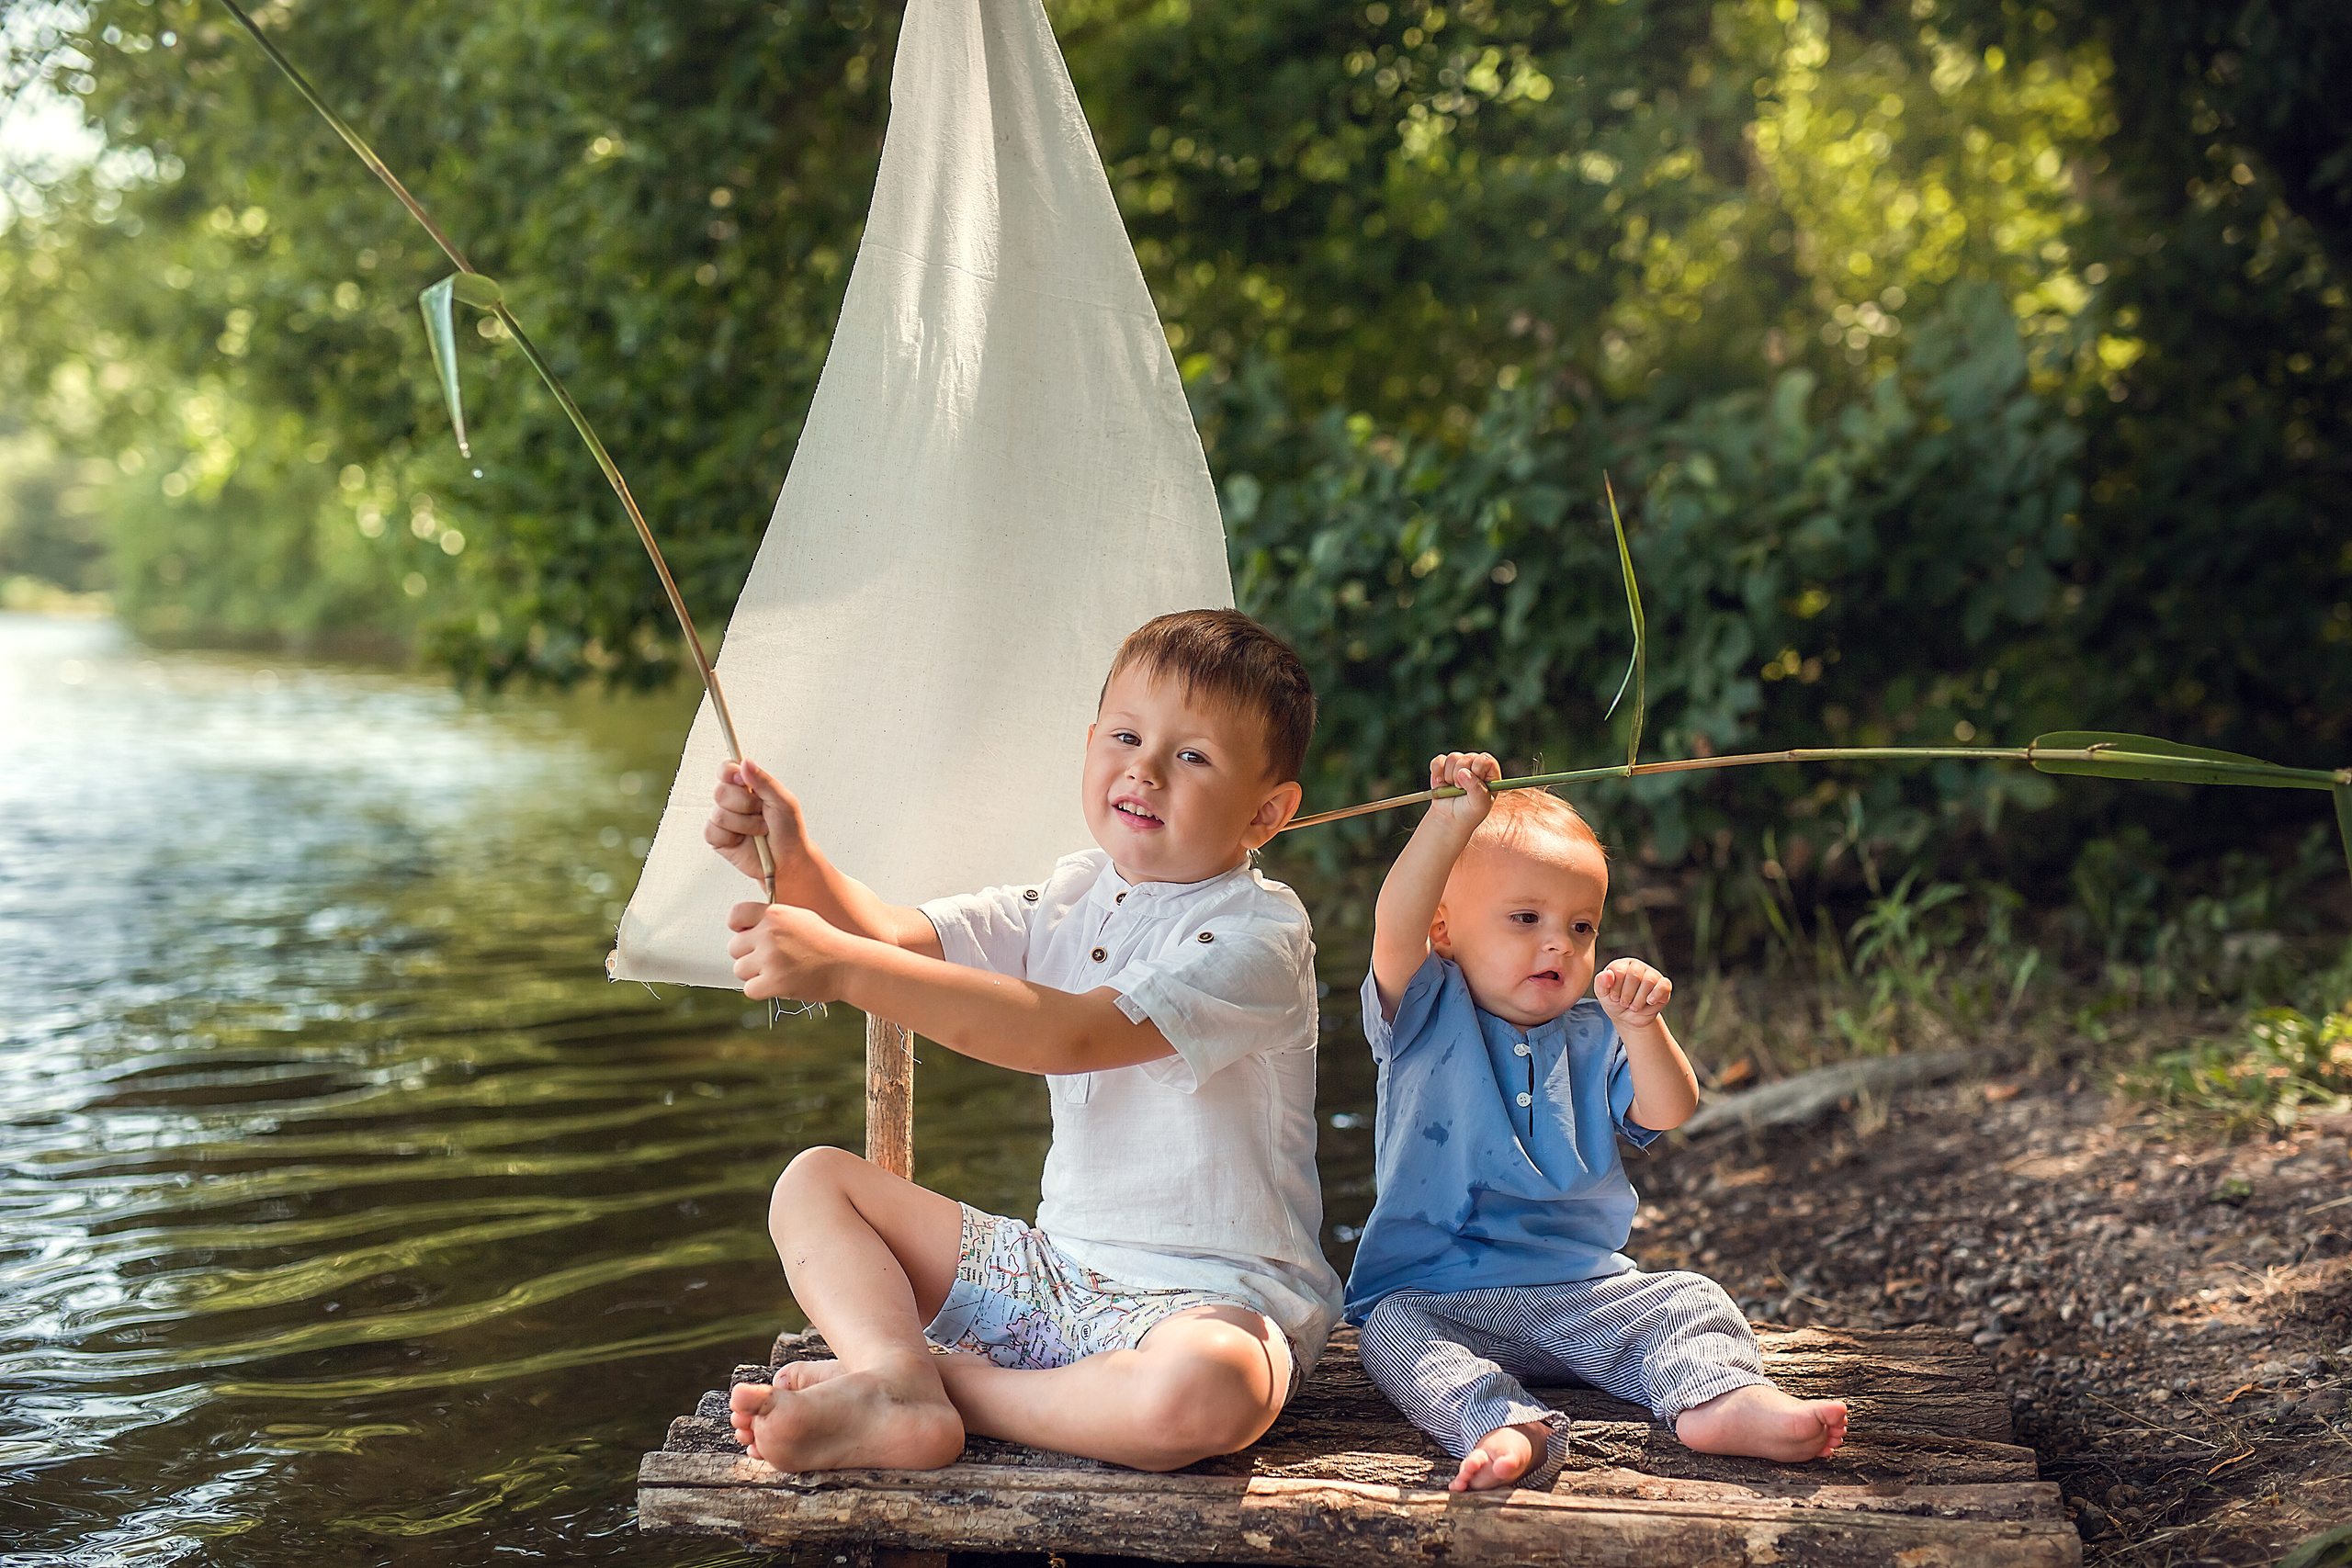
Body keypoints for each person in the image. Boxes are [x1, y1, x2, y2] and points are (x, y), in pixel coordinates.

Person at [702, 609, 1340, 1473]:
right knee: (813, 1183)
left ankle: (938, 1387)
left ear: (1267, 811)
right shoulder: (1070, 895)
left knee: (1205, 1391)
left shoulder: (1259, 935)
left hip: (1209, 1302)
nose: (1145, 769)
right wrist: (796, 860)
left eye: (1192, 756)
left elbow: (1072, 1034)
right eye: (1126, 736)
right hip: (1050, 1277)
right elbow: (890, 937)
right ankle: (898, 1380)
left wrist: (843, 970)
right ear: (1090, 744)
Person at [1346, 750, 1849, 1493]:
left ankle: (1721, 1399)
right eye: (1526, 918)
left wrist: (1643, 1026)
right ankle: (1503, 1426)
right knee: (1390, 1335)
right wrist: (1448, 823)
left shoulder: (1597, 1032)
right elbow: (1395, 924)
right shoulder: (1421, 1010)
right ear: (1444, 929)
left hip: (1581, 1287)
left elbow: (1670, 1109)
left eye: (1581, 925)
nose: (1560, 941)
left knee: (1690, 1296)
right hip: (1436, 1293)